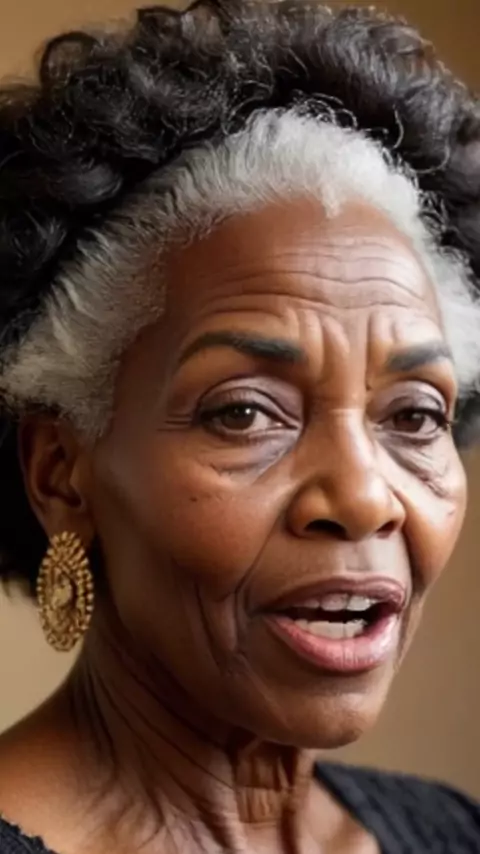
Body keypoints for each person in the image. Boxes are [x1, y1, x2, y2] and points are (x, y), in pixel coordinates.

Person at [0, 1, 480, 851]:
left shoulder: (453, 832)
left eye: (414, 415)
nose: (364, 498)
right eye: (246, 412)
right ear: (60, 474)